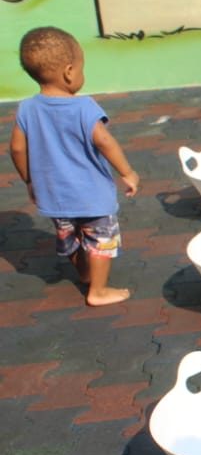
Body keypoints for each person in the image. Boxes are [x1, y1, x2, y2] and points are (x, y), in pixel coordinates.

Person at [9, 26, 140, 306]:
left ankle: (84, 273)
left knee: (70, 237)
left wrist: (30, 180)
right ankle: (98, 291)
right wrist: (127, 172)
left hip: (53, 196)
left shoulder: (27, 109)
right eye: (82, 68)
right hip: (92, 195)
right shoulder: (84, 107)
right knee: (100, 241)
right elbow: (104, 141)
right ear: (69, 72)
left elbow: (17, 148)